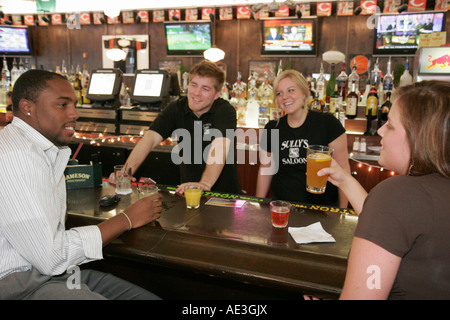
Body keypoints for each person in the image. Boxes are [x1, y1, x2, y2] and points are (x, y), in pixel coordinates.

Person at [0, 70, 162, 300]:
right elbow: (51, 257)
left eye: (74, 104)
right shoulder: (17, 157)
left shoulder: (38, 149)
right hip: (19, 284)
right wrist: (126, 219)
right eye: (62, 105)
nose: (74, 113)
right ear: (28, 107)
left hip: (51, 274)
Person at [319, 80, 450, 299]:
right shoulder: (428, 193)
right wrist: (344, 180)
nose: (379, 130)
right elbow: (393, 222)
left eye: (389, 125)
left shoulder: (399, 193)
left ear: (418, 137)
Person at [110, 60, 241, 195]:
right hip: (187, 191)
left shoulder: (225, 111)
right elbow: (150, 139)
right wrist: (125, 172)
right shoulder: (176, 108)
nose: (197, 93)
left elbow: (220, 147)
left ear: (217, 94)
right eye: (194, 85)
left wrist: (204, 184)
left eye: (205, 89)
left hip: (223, 195)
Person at [256, 70, 350, 208]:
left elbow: (343, 170)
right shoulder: (272, 127)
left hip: (322, 209)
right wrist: (257, 205)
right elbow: (265, 169)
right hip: (283, 207)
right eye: (279, 93)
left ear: (304, 93)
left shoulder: (327, 123)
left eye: (291, 90)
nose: (285, 97)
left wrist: (342, 212)